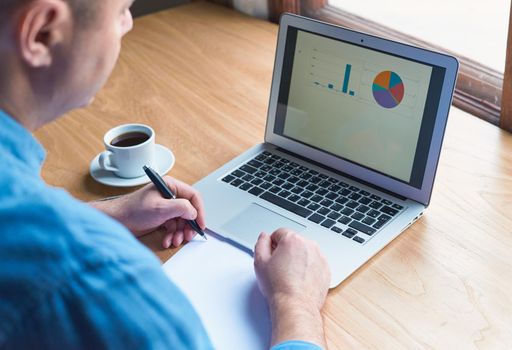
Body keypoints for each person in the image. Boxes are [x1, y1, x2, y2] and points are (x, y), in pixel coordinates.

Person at [0, 0, 331, 349]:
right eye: (120, 12)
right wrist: (296, 303)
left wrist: (109, 213)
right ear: (42, 33)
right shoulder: (98, 282)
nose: (128, 24)